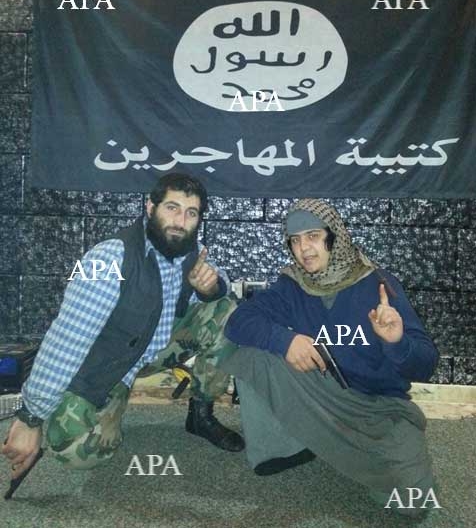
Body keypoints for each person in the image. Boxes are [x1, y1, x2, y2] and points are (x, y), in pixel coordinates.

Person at [2, 173, 244, 479]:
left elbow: (220, 283)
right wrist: (31, 416)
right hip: (112, 365)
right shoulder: (107, 259)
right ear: (150, 208)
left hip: (158, 348)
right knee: (75, 449)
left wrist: (211, 288)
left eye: (191, 213)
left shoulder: (189, 249)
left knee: (230, 312)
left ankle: (201, 415)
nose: (180, 221)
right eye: (172, 208)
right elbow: (66, 341)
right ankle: (111, 402)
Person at [224, 198, 439, 516]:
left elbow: (426, 364)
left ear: (333, 237)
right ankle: (286, 449)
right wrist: (285, 341)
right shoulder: (293, 284)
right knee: (255, 354)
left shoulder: (377, 284)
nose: (304, 249)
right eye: (295, 240)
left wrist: (397, 341)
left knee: (414, 504)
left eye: (313, 236)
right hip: (325, 392)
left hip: (378, 408)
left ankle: (340, 446)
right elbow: (238, 322)